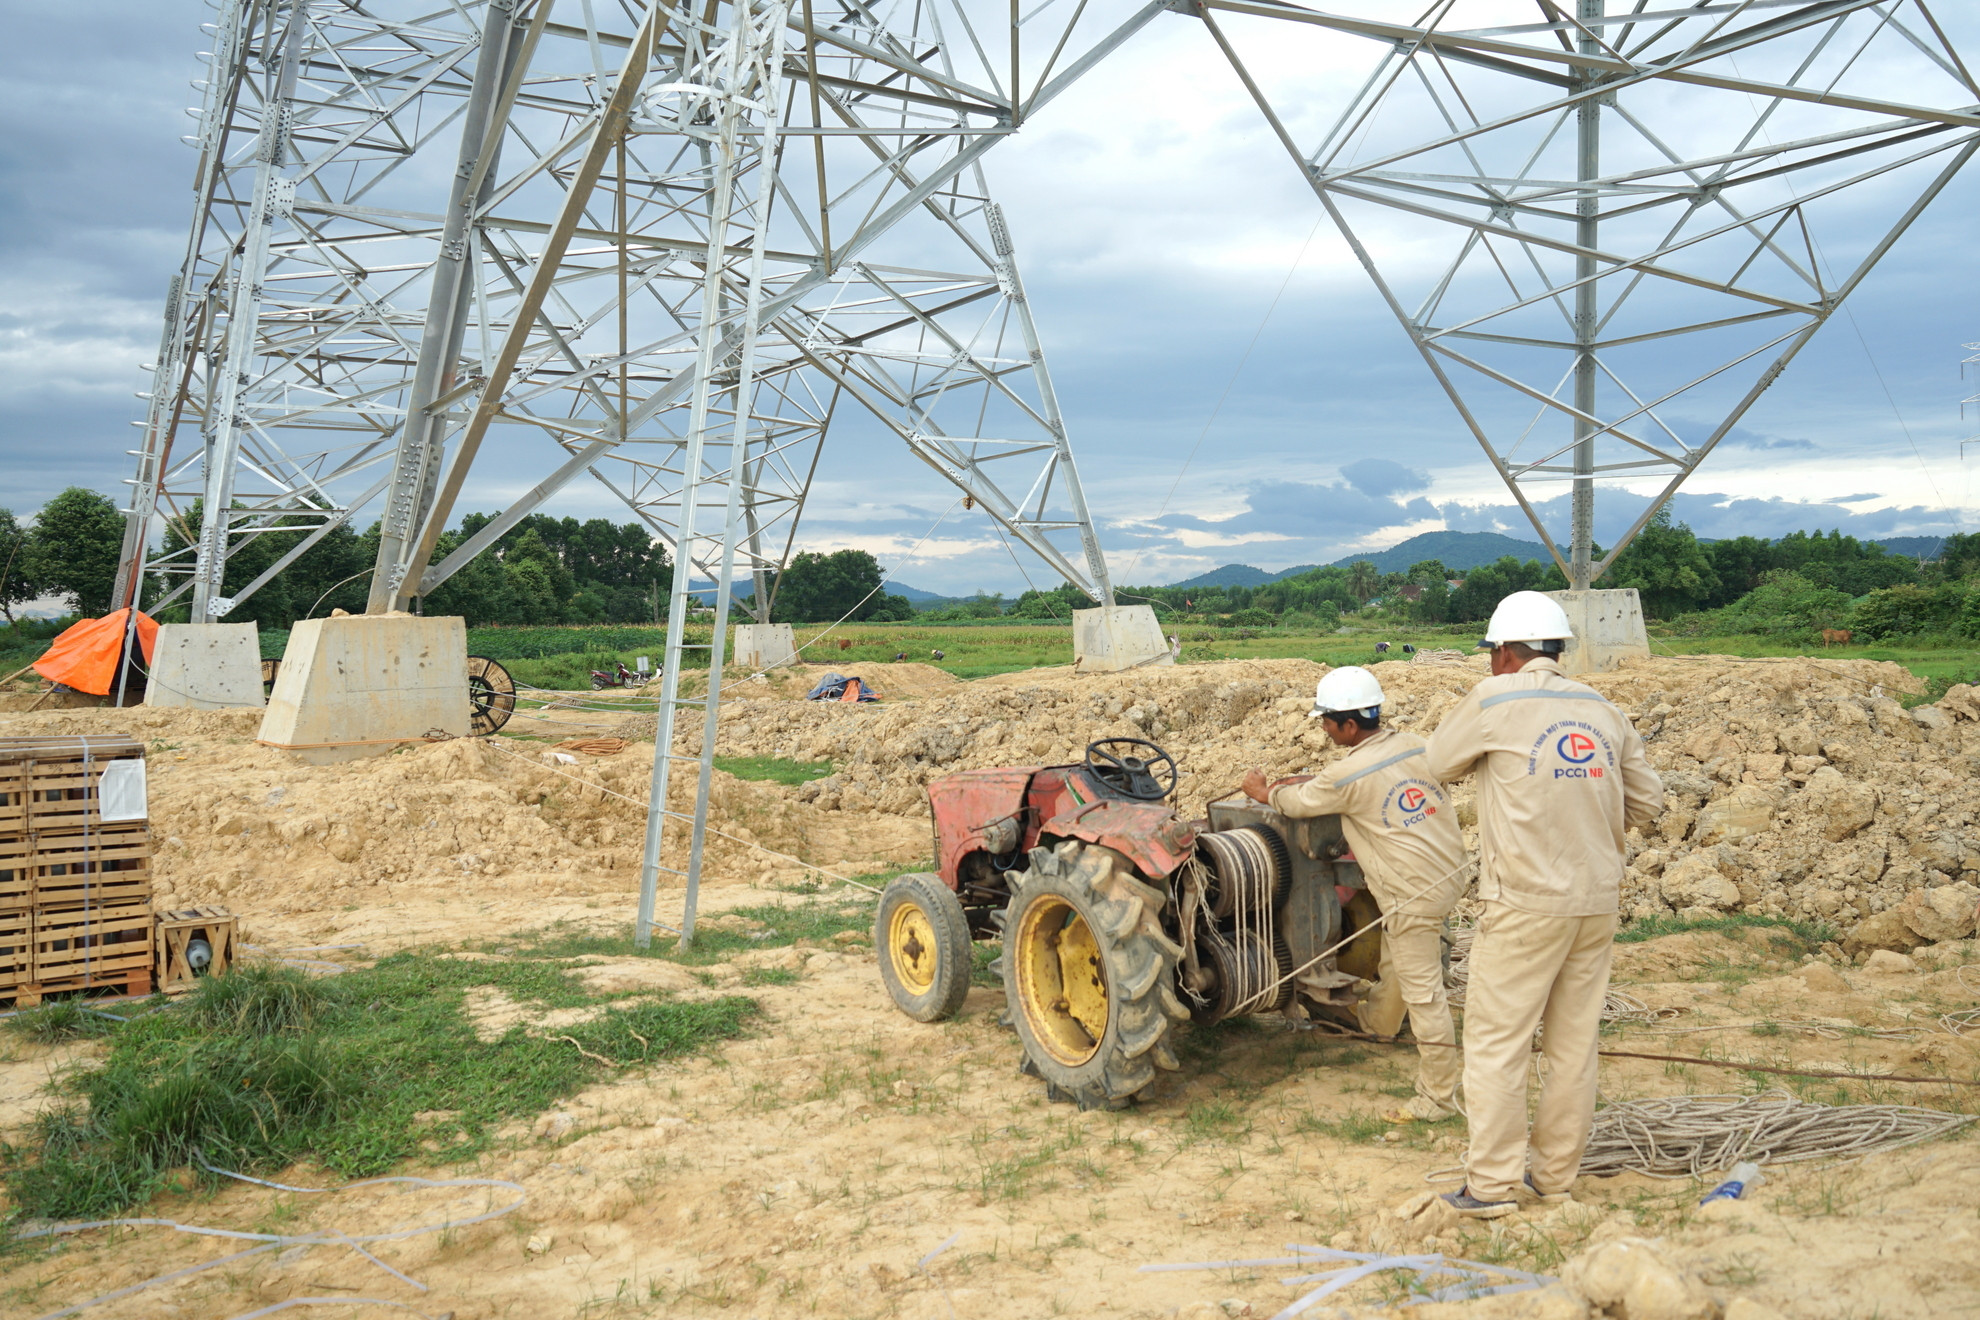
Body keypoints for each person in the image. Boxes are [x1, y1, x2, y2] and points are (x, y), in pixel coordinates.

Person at [1422, 591, 1663, 1218]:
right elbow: (1648, 803)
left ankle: (1493, 1185)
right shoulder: (1603, 708)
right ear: (1558, 651)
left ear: (1503, 652)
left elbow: (1437, 763)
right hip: (1595, 901)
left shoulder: (1492, 699)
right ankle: (1554, 1178)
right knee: (1573, 1045)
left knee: (1497, 1044)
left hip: (1525, 903)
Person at [1242, 665, 1467, 1122]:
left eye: (1326, 721)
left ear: (1349, 725)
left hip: (1413, 892)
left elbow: (1298, 803)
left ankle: (1438, 1094)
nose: (1323, 729)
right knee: (1403, 955)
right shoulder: (1416, 745)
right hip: (1450, 875)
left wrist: (1263, 792)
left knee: (1425, 994)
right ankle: (1380, 1025)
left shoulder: (1346, 774)